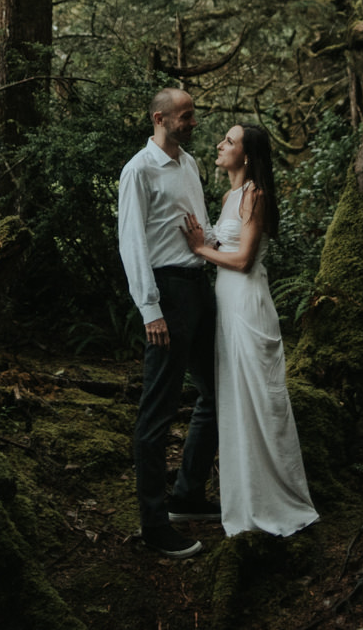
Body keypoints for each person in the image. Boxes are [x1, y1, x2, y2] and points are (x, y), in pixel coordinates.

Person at [180, 123, 319, 539]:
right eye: (224, 139)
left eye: (229, 141)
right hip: (226, 303)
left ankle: (272, 497)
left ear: (246, 155)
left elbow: (243, 260)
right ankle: (242, 495)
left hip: (247, 304)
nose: (220, 145)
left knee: (259, 399)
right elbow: (227, 247)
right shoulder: (229, 197)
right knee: (234, 399)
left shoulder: (256, 194)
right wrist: (208, 242)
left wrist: (200, 249)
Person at [116, 87, 220, 558]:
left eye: (192, 115)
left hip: (200, 287)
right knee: (156, 411)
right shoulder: (138, 171)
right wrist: (150, 308)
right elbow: (131, 243)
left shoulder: (191, 164)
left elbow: (200, 227)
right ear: (160, 118)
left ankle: (187, 494)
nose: (193, 121)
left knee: (216, 394)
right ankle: (155, 524)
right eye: (185, 115)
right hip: (167, 294)